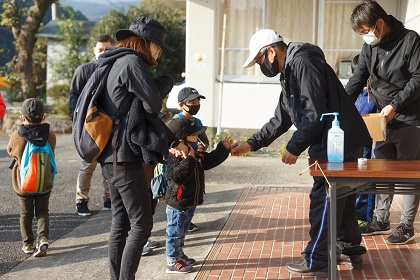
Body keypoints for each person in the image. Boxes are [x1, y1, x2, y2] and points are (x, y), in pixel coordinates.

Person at [230, 29, 371, 277]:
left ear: (271, 52)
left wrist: (293, 147)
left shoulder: (303, 63)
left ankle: (317, 258)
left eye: (260, 60)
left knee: (325, 197)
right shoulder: (290, 72)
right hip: (336, 138)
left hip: (336, 140)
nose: (260, 66)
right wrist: (251, 143)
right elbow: (281, 118)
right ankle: (350, 248)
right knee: (342, 195)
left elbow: (313, 114)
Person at [97, 17, 187, 280]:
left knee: (120, 224)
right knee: (141, 224)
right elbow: (152, 106)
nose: (158, 52)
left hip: (109, 156)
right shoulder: (132, 62)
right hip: (125, 157)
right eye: (158, 46)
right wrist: (162, 85)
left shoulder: (112, 61)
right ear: (146, 43)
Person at [346, 0, 420, 245]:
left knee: (409, 174)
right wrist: (342, 106)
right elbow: (358, 78)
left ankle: (407, 225)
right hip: (381, 118)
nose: (365, 37)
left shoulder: (411, 40)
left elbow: (419, 78)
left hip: (410, 117)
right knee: (382, 168)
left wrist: (396, 104)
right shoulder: (370, 48)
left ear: (379, 23)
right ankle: (380, 219)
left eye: (365, 31)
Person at [165, 117, 233, 273]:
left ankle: (179, 254)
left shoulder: (195, 153)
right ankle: (171, 260)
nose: (198, 139)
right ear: (181, 140)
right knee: (174, 232)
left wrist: (223, 148)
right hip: (178, 203)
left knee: (181, 232)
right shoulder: (174, 156)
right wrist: (189, 158)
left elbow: (209, 161)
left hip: (189, 202)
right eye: (194, 136)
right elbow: (177, 177)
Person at [69, 34, 114, 216]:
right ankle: (81, 200)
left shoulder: (114, 68)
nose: (104, 52)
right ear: (94, 50)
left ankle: (109, 199)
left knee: (109, 164)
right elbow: (74, 96)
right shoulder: (84, 70)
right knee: (88, 163)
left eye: (107, 49)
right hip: (89, 126)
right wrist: (76, 120)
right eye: (100, 49)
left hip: (110, 124)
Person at [7, 98, 56, 257]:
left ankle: (28, 244)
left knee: (25, 214)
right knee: (43, 211)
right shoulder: (50, 136)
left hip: (23, 184)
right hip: (44, 181)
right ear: (43, 117)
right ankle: (42, 238)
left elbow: (11, 151)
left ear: (22, 117)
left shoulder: (17, 136)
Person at [172, 86, 210, 232]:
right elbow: (169, 145)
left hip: (195, 163)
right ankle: (178, 224)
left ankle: (188, 220)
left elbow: (205, 142)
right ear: (181, 104)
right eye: (192, 103)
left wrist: (202, 147)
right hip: (180, 164)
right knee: (180, 194)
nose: (196, 105)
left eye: (198, 102)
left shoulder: (198, 122)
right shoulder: (176, 122)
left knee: (193, 191)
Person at [351, 54, 377, 227]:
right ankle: (356, 214)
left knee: (366, 182)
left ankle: (364, 216)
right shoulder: (357, 94)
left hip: (369, 144)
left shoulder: (374, 94)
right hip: (355, 144)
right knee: (356, 181)